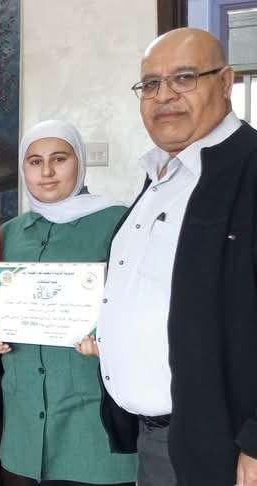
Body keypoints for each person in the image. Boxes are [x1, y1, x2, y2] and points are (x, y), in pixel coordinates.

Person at [95, 27, 257, 486]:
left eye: (184, 78)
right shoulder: (162, 176)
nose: (164, 95)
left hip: (227, 451)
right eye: (150, 83)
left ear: (224, 82)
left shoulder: (249, 169)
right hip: (156, 441)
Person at [0, 120, 135, 486]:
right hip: (22, 433)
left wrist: (106, 336)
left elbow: (141, 308)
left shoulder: (119, 222)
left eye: (59, 159)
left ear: (79, 161)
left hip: (93, 428)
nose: (46, 172)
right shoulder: (7, 234)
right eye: (35, 161)